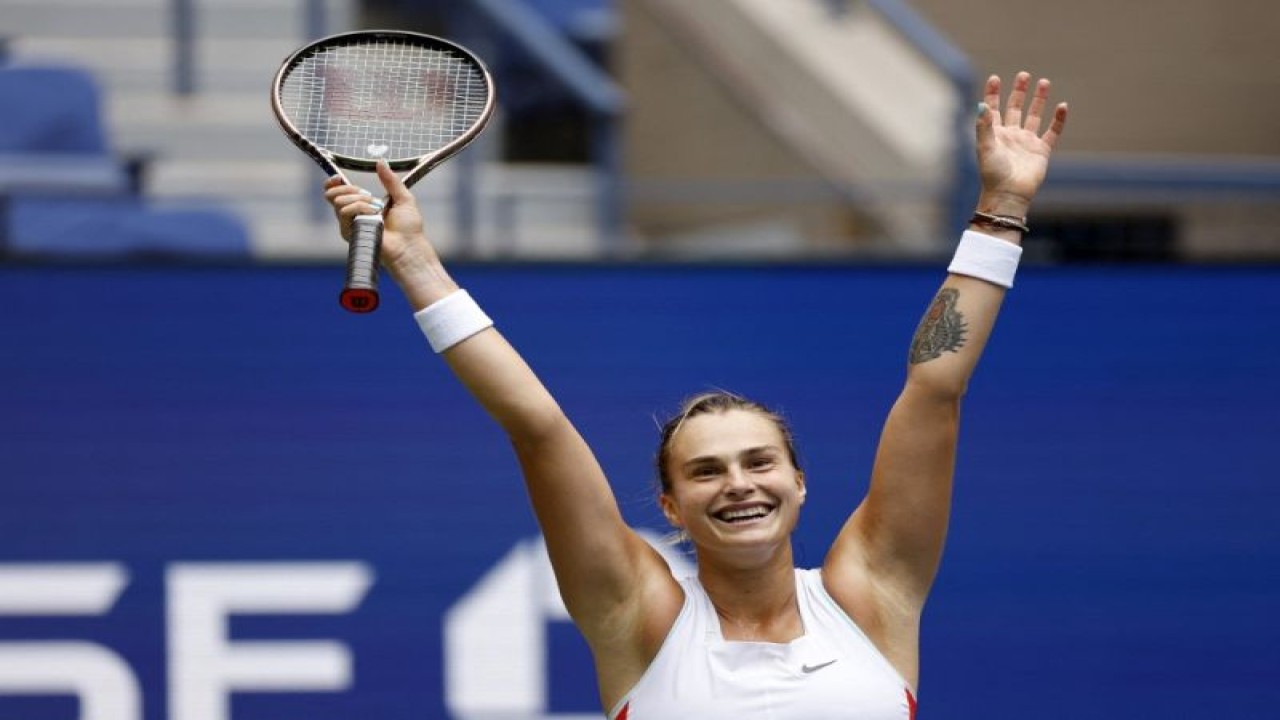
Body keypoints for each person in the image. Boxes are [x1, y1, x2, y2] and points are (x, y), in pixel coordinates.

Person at [325, 71, 1068, 719]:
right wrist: (418, 264)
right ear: (671, 508)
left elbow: (935, 387)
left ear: (799, 483)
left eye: (758, 461)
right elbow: (537, 426)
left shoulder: (871, 593)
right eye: (706, 471)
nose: (739, 483)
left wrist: (1002, 205)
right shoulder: (635, 613)